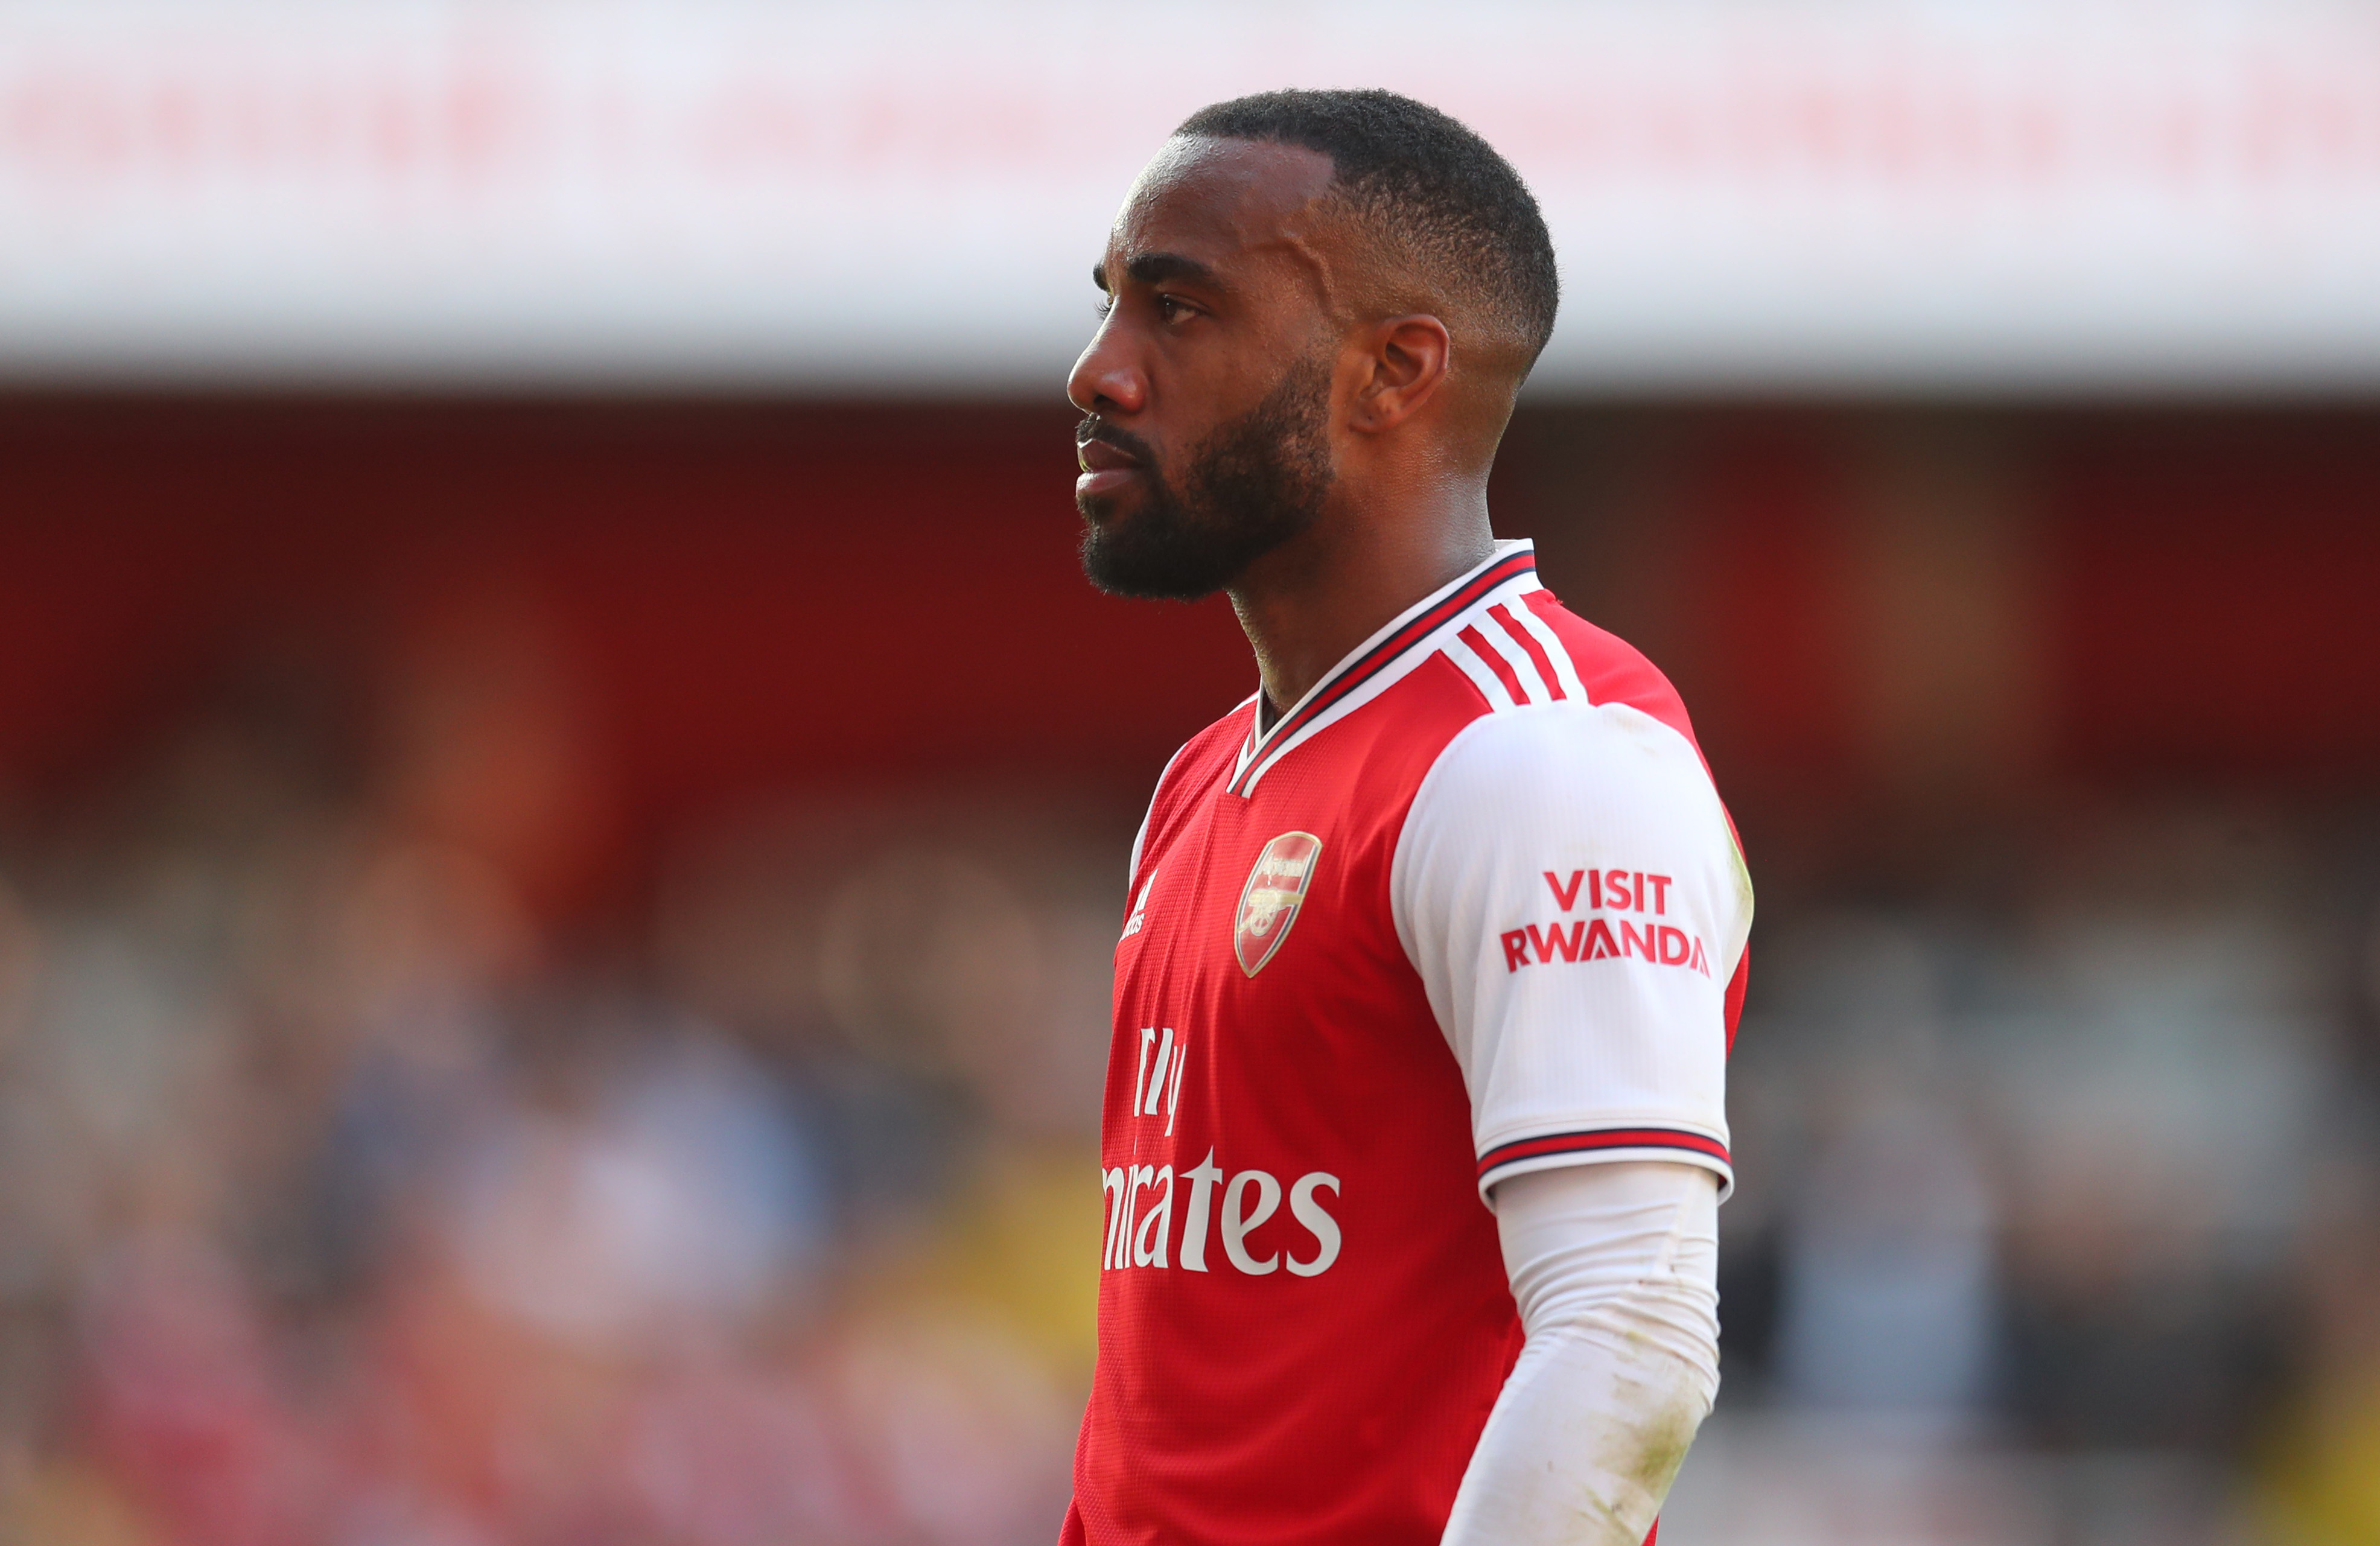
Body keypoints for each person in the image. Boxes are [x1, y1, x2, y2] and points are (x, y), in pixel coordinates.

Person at [1063, 89, 1751, 1546]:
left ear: (1392, 370)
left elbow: (1629, 1338)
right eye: (1112, 304)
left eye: (1177, 311)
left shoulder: (1544, 758)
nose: (1099, 373)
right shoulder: (1205, 780)